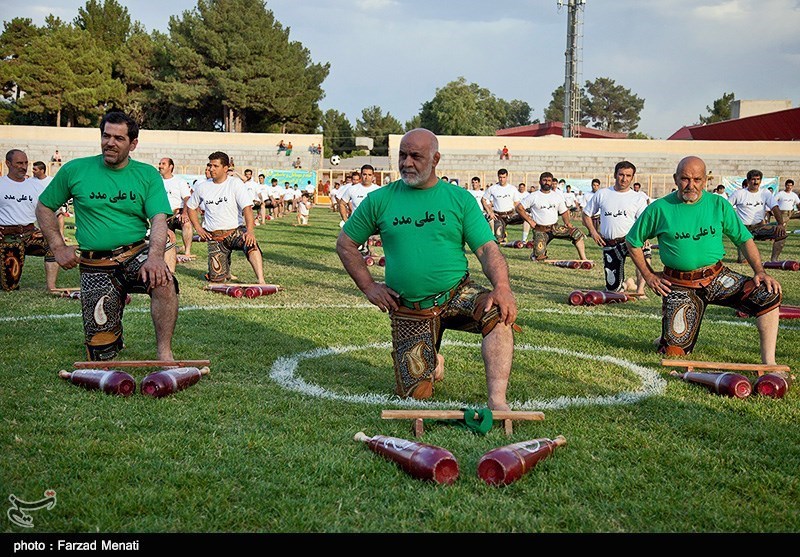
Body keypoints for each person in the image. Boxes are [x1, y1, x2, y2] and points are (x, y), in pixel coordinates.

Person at [336, 128, 518, 410]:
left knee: (498, 313)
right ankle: (432, 356)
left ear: (435, 159)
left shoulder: (459, 200)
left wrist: (503, 287)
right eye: (403, 155)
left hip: (457, 293)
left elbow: (486, 249)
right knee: (416, 397)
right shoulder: (379, 200)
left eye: (416, 156)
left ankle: (497, 401)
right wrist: (369, 286)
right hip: (411, 308)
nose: (407, 163)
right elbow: (346, 244)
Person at [36, 112, 178, 361]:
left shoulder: (147, 175)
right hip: (96, 264)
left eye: (119, 138)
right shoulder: (74, 170)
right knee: (102, 355)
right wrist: (58, 246)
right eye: (106, 136)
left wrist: (155, 257)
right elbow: (44, 206)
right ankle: (112, 331)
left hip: (135, 253)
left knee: (164, 281)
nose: (110, 143)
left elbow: (158, 219)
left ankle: (164, 353)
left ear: (132, 144)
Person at [625, 156, 782, 364]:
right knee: (674, 353)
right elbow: (632, 241)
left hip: (718, 278)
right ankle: (668, 335)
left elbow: (744, 239)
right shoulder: (659, 208)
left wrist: (760, 271)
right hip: (680, 285)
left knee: (767, 295)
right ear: (675, 179)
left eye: (697, 179)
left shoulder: (719, 205)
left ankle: (768, 362)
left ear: (705, 180)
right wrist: (649, 275)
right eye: (685, 179)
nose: (691, 185)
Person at [186, 151, 267, 285]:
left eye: (215, 166)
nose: (211, 169)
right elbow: (190, 207)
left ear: (225, 168)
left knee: (251, 244)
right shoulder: (202, 187)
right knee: (216, 280)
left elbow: (247, 208)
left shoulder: (235, 184)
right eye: (210, 165)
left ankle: (261, 280)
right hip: (215, 237)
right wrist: (198, 228)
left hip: (235, 231)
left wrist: (250, 231)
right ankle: (225, 270)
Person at [582, 161, 650, 295]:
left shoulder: (638, 198)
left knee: (645, 255)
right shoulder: (602, 194)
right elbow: (586, 214)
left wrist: (644, 237)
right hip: (610, 243)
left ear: (632, 177)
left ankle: (640, 290)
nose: (624, 179)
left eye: (628, 176)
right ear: (615, 175)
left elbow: (644, 221)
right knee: (613, 290)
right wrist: (594, 233)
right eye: (621, 175)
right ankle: (626, 284)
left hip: (631, 240)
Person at [1, 149, 62, 292]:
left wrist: (53, 232)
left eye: (26, 163)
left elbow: (45, 211)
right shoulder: (1, 184)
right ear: (8, 163)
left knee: (54, 244)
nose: (24, 166)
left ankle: (51, 287)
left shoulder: (35, 186)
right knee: (9, 287)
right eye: (19, 163)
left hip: (30, 233)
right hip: (7, 237)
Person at [516, 171, 588, 262]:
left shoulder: (557, 196)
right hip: (540, 230)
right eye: (544, 180)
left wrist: (568, 223)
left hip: (555, 228)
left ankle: (584, 259)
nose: (547, 182)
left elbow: (564, 211)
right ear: (540, 182)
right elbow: (519, 208)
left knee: (576, 233)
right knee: (539, 258)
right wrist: (530, 221)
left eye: (549, 180)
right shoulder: (533, 196)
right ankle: (536, 253)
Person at [728, 169, 786, 262]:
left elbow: (775, 207)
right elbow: (727, 208)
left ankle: (774, 260)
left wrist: (780, 224)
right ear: (748, 181)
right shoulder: (739, 193)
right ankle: (743, 254)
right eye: (753, 179)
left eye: (758, 179)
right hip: (743, 230)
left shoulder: (765, 193)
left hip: (759, 227)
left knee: (781, 233)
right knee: (743, 261)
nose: (756, 182)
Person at [158, 157, 193, 260]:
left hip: (178, 213)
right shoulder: (156, 181)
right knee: (163, 247)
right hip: (163, 216)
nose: (160, 166)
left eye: (163, 164)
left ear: (171, 167)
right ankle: (178, 249)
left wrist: (185, 213)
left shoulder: (179, 181)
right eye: (160, 163)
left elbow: (187, 198)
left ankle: (187, 252)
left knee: (186, 224)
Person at [482, 168, 524, 243]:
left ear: (507, 177)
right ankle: (503, 235)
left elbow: (517, 203)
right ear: (498, 177)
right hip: (498, 216)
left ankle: (525, 239)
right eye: (500, 177)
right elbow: (483, 199)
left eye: (504, 177)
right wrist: (490, 212)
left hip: (511, 215)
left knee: (528, 218)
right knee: (499, 240)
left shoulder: (512, 188)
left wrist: (523, 212)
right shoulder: (493, 188)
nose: (502, 179)